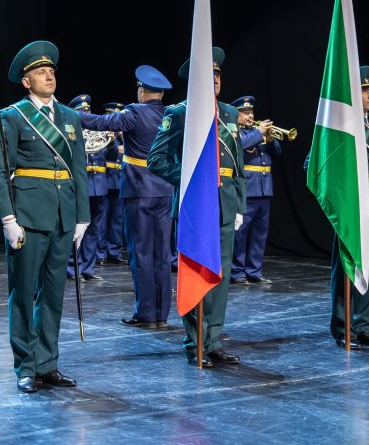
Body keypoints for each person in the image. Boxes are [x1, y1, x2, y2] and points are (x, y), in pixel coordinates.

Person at [0, 40, 89, 393]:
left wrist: (82, 216)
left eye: (51, 71)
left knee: (53, 294)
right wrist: (8, 218)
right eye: (40, 72)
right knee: (23, 292)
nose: (49, 76)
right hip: (28, 217)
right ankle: (26, 366)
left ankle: (48, 363)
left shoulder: (70, 118)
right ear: (26, 81)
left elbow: (79, 170)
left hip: (63, 215)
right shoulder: (12, 116)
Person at [148, 47, 246, 367]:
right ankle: (196, 343)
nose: (215, 79)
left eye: (218, 74)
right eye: (209, 75)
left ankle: (213, 341)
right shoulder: (179, 113)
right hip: (195, 205)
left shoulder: (229, 113)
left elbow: (238, 165)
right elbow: (156, 160)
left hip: (225, 205)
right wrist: (192, 179)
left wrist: (240, 205)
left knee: (220, 275)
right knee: (196, 272)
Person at [78, 66, 175, 329]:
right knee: (162, 253)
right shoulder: (172, 114)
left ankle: (145, 313)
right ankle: (161, 313)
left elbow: (100, 122)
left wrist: (67, 114)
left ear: (142, 91)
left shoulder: (134, 113)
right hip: (165, 190)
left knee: (141, 251)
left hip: (139, 190)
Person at [329, 66, 369, 349]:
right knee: (347, 270)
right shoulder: (339, 124)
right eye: (364, 91)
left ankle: (364, 325)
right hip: (351, 208)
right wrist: (343, 192)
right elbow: (315, 165)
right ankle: (344, 327)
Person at [230, 96, 280, 285]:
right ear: (236, 115)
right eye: (245, 113)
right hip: (247, 190)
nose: (250, 116)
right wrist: (260, 133)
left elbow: (277, 153)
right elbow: (239, 147)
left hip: (264, 189)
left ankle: (254, 271)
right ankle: (237, 272)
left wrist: (271, 140)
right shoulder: (235, 133)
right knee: (240, 233)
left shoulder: (257, 133)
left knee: (260, 234)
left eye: (251, 112)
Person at [66, 94, 104, 281]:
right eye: (83, 112)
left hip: (98, 186)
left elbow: (108, 154)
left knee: (94, 229)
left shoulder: (97, 133)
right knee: (76, 229)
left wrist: (111, 141)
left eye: (88, 112)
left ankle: (88, 269)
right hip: (80, 186)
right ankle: (73, 269)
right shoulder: (70, 132)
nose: (86, 115)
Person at [99, 102, 127, 265]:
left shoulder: (125, 136)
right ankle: (101, 252)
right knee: (103, 218)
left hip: (120, 179)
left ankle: (114, 251)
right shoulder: (103, 135)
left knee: (117, 218)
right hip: (106, 178)